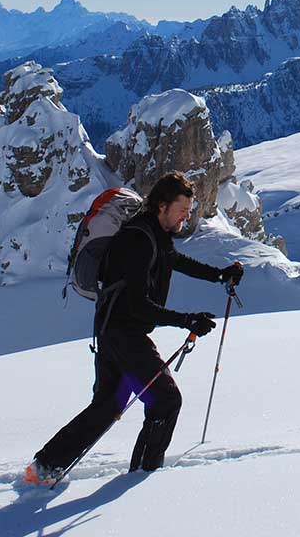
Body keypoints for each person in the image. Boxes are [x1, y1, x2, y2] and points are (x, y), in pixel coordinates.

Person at [23, 171, 245, 484]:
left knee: (108, 405)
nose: (187, 216)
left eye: (189, 209)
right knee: (166, 400)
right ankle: (142, 477)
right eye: (182, 209)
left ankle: (44, 466)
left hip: (114, 328)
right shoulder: (138, 240)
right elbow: (137, 305)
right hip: (123, 331)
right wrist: (187, 320)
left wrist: (220, 275)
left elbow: (175, 260)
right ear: (162, 206)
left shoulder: (154, 234)